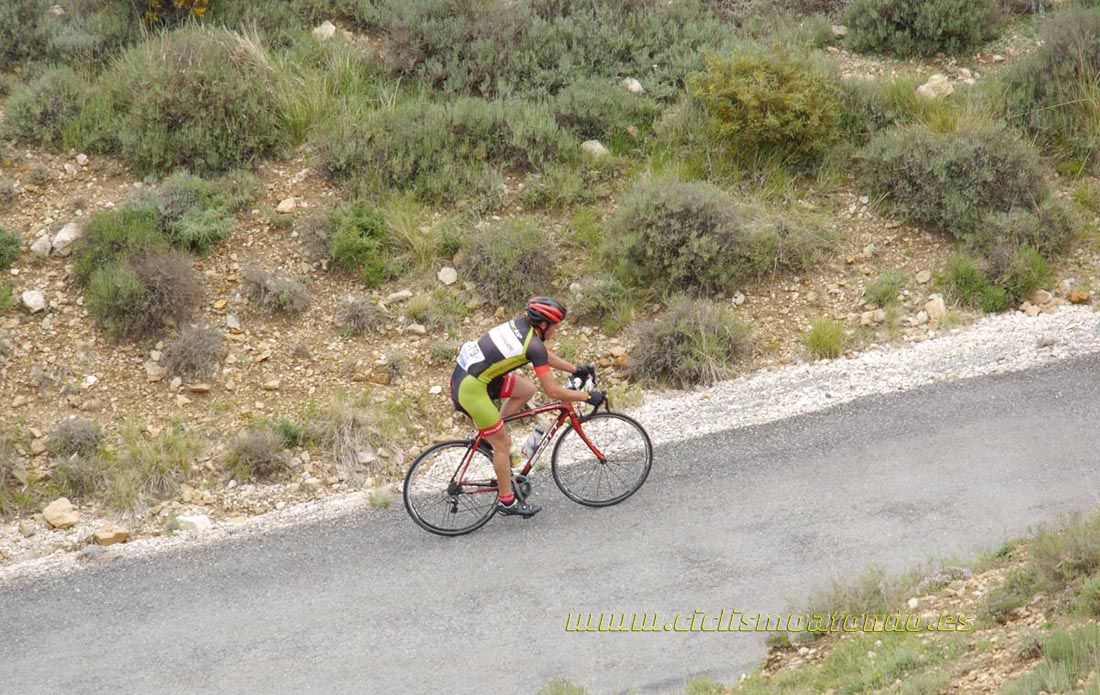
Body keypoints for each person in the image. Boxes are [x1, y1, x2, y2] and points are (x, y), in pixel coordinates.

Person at [449, 296, 605, 518]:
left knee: (526, 390)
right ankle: (507, 501)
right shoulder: (533, 343)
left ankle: (490, 435)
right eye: (555, 327)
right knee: (503, 444)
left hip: (471, 376)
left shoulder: (522, 327)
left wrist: (575, 369)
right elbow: (552, 391)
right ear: (543, 325)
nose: (556, 331)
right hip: (471, 390)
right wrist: (587, 396)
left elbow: (540, 353)